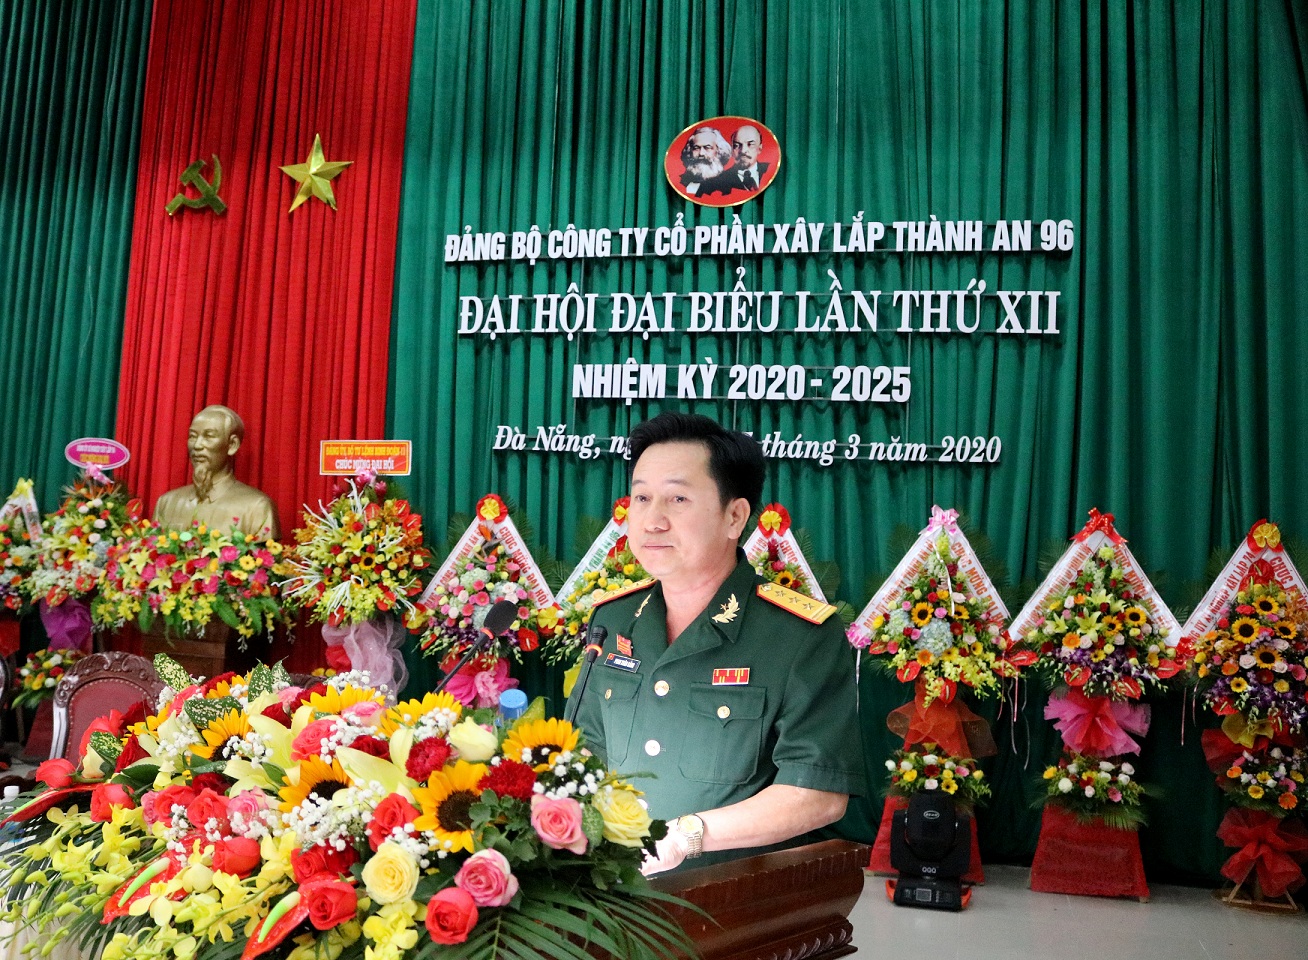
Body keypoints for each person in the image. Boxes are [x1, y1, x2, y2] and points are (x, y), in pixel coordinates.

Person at [567, 412, 864, 875]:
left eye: (678, 498)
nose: (652, 521)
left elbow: (819, 793)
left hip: (732, 894)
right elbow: (583, 749)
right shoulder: (614, 618)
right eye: (641, 497)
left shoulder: (799, 636)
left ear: (734, 517)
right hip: (613, 889)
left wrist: (685, 836)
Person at [154, 405, 280, 539]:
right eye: (193, 436)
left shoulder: (257, 507)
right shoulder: (166, 503)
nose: (197, 445)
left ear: (232, 445)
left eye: (209, 436)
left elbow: (265, 551)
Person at [701, 124, 770, 197]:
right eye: (737, 145)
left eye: (750, 144)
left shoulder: (771, 170)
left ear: (760, 148)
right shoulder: (714, 183)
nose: (743, 151)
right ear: (732, 150)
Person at [678, 126, 732, 197]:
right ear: (690, 151)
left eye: (707, 148)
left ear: (719, 151)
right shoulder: (681, 182)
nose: (701, 153)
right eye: (696, 148)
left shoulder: (729, 183)